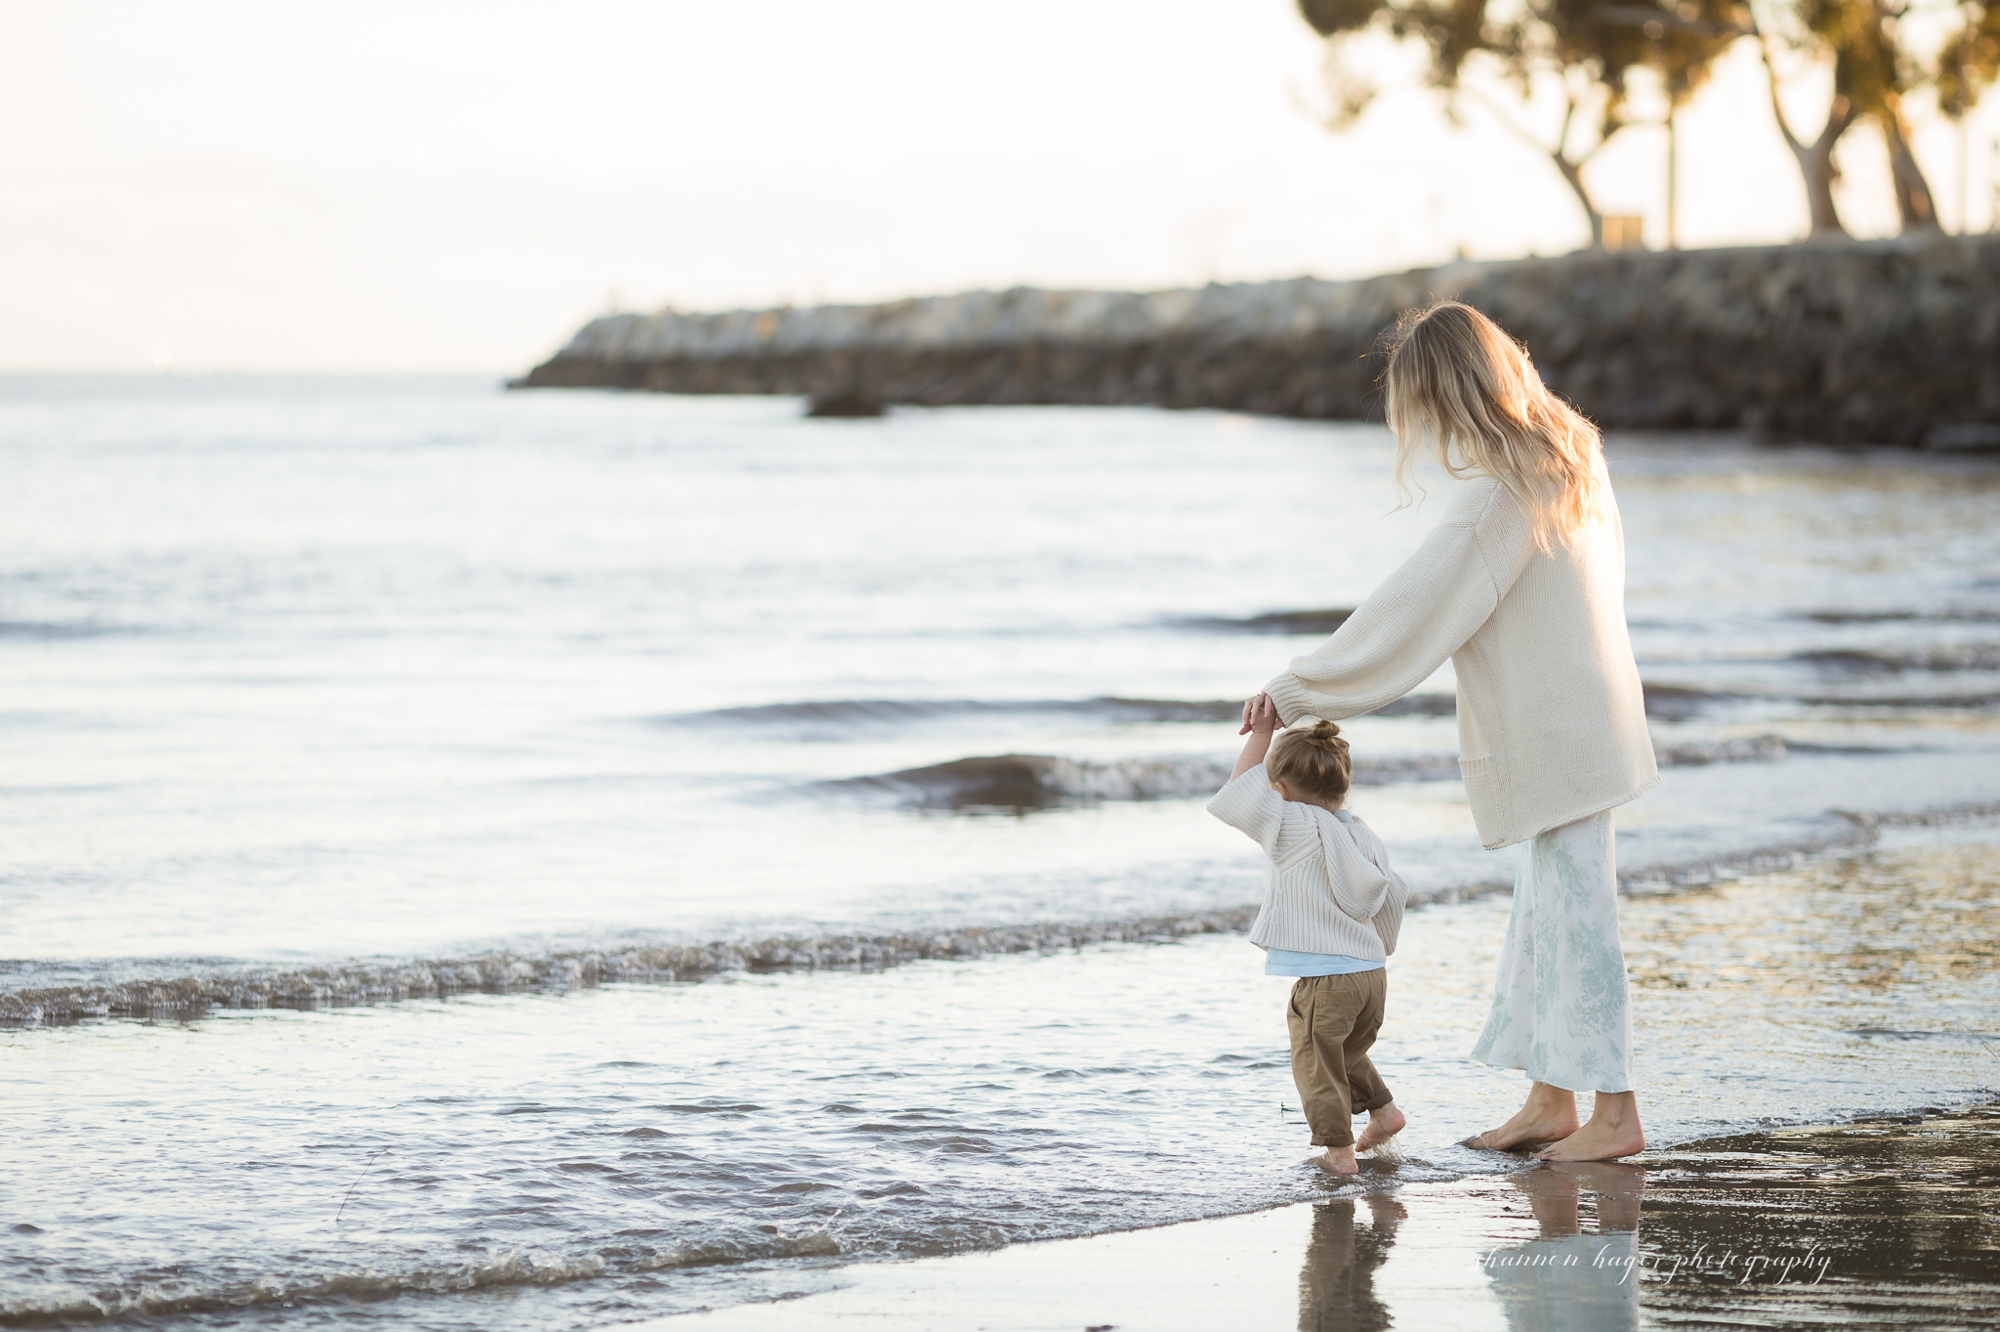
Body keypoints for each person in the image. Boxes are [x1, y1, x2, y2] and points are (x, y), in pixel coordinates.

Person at [1253, 300, 1657, 1162]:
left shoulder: (1501, 496)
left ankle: (1615, 1115)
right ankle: (1551, 1100)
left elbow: (1413, 610)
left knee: (1577, 923)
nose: (1424, 427)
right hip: (1592, 722)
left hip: (1562, 733)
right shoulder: (1571, 453)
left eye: (1424, 404)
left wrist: (1298, 688)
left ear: (1452, 393)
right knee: (1549, 918)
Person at [1208, 693, 1409, 1176]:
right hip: (1370, 975)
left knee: (1315, 1063)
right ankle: (1383, 1113)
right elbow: (1391, 895)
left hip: (1326, 980)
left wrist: (1262, 732)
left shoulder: (1291, 825)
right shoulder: (1360, 832)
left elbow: (1237, 792)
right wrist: (1376, 954)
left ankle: (1339, 1155)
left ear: (1276, 790)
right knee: (1344, 1051)